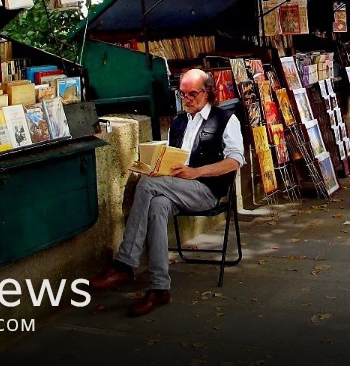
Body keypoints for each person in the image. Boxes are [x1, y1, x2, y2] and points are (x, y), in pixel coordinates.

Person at [89, 69, 245, 316]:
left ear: (208, 92)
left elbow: (235, 161)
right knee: (158, 203)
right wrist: (154, 168)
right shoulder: (179, 122)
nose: (187, 99)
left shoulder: (225, 119)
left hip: (207, 190)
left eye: (193, 94)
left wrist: (197, 172)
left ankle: (125, 263)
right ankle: (160, 288)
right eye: (182, 94)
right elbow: (172, 160)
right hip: (177, 188)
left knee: (148, 186)